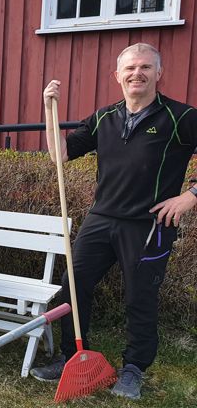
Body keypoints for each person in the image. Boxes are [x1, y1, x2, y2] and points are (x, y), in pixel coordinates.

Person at [30, 43, 197, 400]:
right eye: (130, 68)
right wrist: (48, 109)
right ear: (117, 76)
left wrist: (189, 197)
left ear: (158, 74)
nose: (137, 73)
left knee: (140, 296)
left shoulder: (181, 117)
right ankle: (72, 354)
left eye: (145, 67)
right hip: (102, 218)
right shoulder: (104, 117)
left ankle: (134, 368)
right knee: (72, 284)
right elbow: (60, 155)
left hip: (148, 225)